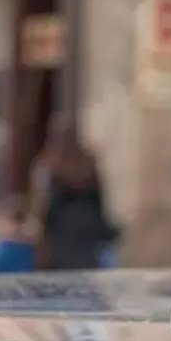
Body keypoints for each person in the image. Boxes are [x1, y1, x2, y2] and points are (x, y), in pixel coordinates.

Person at [31, 114, 119, 270]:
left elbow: (98, 202)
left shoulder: (88, 163)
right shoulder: (49, 168)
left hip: (87, 239)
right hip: (61, 238)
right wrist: (42, 245)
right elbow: (42, 209)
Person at [0, 197, 38, 274]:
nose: (18, 227)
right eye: (14, 221)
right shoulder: (1, 249)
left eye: (20, 221)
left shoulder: (27, 250)